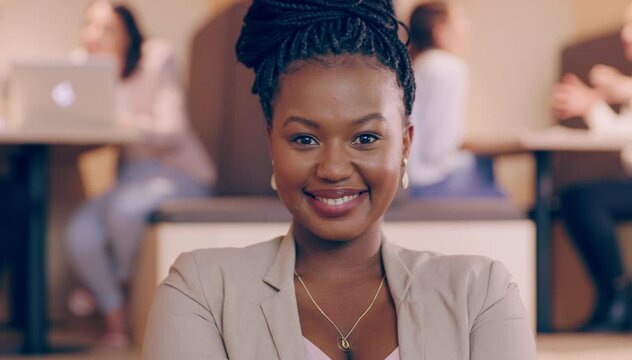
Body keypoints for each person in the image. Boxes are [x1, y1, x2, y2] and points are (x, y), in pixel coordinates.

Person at [143, 0, 535, 359]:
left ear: (405, 145)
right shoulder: (203, 291)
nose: (332, 168)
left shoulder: (480, 293)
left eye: (365, 138)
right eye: (304, 139)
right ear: (271, 143)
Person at [65, 0, 215, 348]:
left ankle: (116, 282)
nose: (94, 35)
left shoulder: (156, 58)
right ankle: (116, 323)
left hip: (175, 172)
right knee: (79, 234)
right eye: (89, 25)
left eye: (105, 28)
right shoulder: (91, 71)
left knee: (125, 210)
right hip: (131, 178)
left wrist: (125, 123)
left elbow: (172, 130)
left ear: (127, 34)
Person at [552, 1, 632, 332]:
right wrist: (593, 105)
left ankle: (620, 299)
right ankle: (613, 297)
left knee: (585, 200)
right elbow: (628, 140)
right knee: (573, 198)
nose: (628, 34)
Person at [407, 1, 503, 198]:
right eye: (460, 20)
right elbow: (439, 150)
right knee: (497, 190)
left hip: (410, 177)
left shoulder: (419, 65)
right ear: (439, 32)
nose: (467, 27)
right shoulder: (448, 67)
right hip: (430, 181)